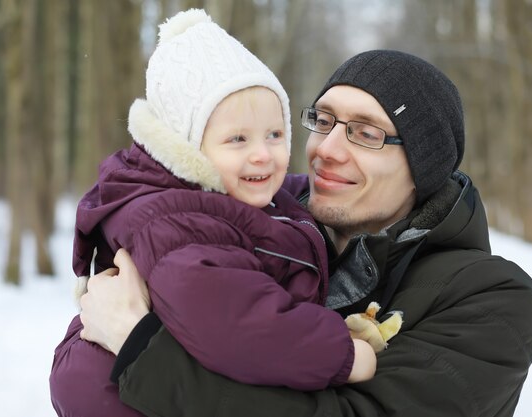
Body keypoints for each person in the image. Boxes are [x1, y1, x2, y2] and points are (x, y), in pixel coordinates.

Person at [78, 48, 532, 417]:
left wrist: (140, 348)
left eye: (367, 133)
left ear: (424, 165)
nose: (327, 149)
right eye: (323, 120)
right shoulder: (251, 226)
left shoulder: (491, 298)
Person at [49, 9, 380, 417]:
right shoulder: (178, 226)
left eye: (274, 134)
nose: (262, 154)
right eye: (237, 138)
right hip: (124, 399)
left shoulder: (227, 197)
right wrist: (343, 353)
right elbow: (243, 329)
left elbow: (290, 201)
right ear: (187, 150)